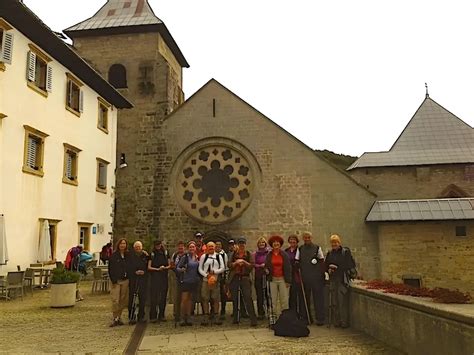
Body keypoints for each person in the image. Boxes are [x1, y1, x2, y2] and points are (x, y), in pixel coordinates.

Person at [325, 234, 356, 328]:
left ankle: (344, 321)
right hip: (333, 279)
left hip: (342, 279)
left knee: (342, 301)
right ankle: (337, 321)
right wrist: (329, 269)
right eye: (332, 242)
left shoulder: (345, 252)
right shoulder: (330, 253)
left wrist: (337, 268)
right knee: (334, 301)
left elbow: (349, 265)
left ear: (339, 242)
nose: (334, 244)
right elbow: (326, 265)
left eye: (335, 242)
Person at [295, 232, 325, 326]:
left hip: (316, 278)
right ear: (303, 239)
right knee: (305, 299)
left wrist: (321, 274)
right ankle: (306, 318)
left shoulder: (317, 248)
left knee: (318, 299)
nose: (307, 239)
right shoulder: (300, 249)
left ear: (311, 238)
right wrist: (297, 264)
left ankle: (320, 318)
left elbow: (321, 260)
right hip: (305, 277)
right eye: (305, 238)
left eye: (308, 237)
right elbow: (297, 260)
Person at [228, 237, 257, 326]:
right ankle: (236, 317)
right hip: (235, 277)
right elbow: (229, 265)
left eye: (243, 243)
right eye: (240, 243)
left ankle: (253, 319)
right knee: (235, 298)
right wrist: (236, 263)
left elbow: (252, 265)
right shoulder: (233, 254)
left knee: (248, 297)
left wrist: (244, 262)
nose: (241, 245)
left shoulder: (248, 254)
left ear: (245, 244)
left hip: (245, 278)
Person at [198, 241, 225, 325]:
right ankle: (206, 316)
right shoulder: (204, 256)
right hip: (206, 281)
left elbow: (222, 267)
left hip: (215, 281)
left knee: (216, 298)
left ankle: (216, 316)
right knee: (205, 298)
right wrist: (206, 275)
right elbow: (200, 268)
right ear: (207, 247)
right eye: (209, 246)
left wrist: (215, 272)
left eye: (212, 246)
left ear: (214, 247)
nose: (211, 248)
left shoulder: (218, 256)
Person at [265, 235, 291, 318]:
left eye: (277, 242)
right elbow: (266, 265)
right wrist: (266, 270)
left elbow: (288, 267)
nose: (276, 244)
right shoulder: (269, 255)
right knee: (273, 300)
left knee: (284, 300)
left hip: (283, 279)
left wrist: (288, 281)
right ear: (272, 244)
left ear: (280, 244)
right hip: (272, 279)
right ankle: (273, 318)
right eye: (274, 242)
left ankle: (285, 318)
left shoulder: (284, 254)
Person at [177, 241, 200, 326]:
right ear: (188, 248)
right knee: (184, 300)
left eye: (193, 247)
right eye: (190, 247)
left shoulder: (197, 257)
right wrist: (182, 270)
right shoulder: (185, 257)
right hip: (186, 281)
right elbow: (178, 267)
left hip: (193, 281)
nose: (192, 248)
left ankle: (189, 316)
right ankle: (183, 317)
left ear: (195, 248)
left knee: (190, 300)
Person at [108, 238, 129, 327]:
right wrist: (113, 280)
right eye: (121, 244)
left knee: (122, 300)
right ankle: (115, 317)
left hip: (125, 280)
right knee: (115, 300)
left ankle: (119, 317)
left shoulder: (128, 255)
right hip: (116, 281)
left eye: (124, 243)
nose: (122, 245)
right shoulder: (114, 256)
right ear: (118, 245)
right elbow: (111, 269)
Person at [148, 240, 170, 322]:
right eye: (156, 245)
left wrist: (164, 268)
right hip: (155, 277)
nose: (158, 246)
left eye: (159, 244)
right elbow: (149, 267)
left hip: (163, 277)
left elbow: (169, 265)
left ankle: (161, 314)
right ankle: (153, 315)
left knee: (163, 297)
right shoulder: (152, 254)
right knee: (154, 296)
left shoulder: (166, 253)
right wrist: (157, 269)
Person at [127, 241, 149, 324]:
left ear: (142, 247)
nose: (138, 248)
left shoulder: (145, 256)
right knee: (132, 298)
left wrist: (144, 272)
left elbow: (148, 266)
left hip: (143, 279)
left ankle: (141, 316)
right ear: (134, 248)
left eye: (139, 247)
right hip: (134, 279)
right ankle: (132, 316)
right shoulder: (130, 256)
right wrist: (134, 272)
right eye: (136, 247)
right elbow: (128, 267)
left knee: (142, 298)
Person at [285, 235, 304, 316]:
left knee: (299, 295)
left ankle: (301, 313)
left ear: (297, 242)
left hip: (297, 275)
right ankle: (293, 313)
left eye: (294, 241)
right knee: (292, 295)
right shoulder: (286, 251)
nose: (292, 243)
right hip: (290, 275)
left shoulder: (300, 250)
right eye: (291, 241)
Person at [253, 237, 270, 319]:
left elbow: (271, 262)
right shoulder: (255, 254)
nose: (262, 244)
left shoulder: (269, 253)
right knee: (259, 295)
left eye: (263, 242)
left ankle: (269, 311)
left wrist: (266, 266)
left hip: (267, 276)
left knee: (268, 294)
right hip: (258, 276)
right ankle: (261, 312)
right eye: (260, 243)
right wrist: (260, 266)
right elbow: (253, 264)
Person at [171, 240, 186, 323]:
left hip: (185, 278)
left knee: (184, 297)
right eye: (179, 246)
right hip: (176, 277)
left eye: (182, 246)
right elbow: (172, 264)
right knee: (176, 296)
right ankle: (176, 314)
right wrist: (176, 270)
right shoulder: (175, 255)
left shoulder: (186, 255)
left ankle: (183, 314)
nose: (180, 248)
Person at [215, 241, 229, 320]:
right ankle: (214, 310)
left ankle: (223, 310)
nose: (218, 246)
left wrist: (225, 277)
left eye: (219, 245)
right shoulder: (212, 254)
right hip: (214, 276)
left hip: (222, 276)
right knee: (214, 294)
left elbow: (226, 266)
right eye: (216, 245)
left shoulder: (224, 255)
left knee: (223, 294)